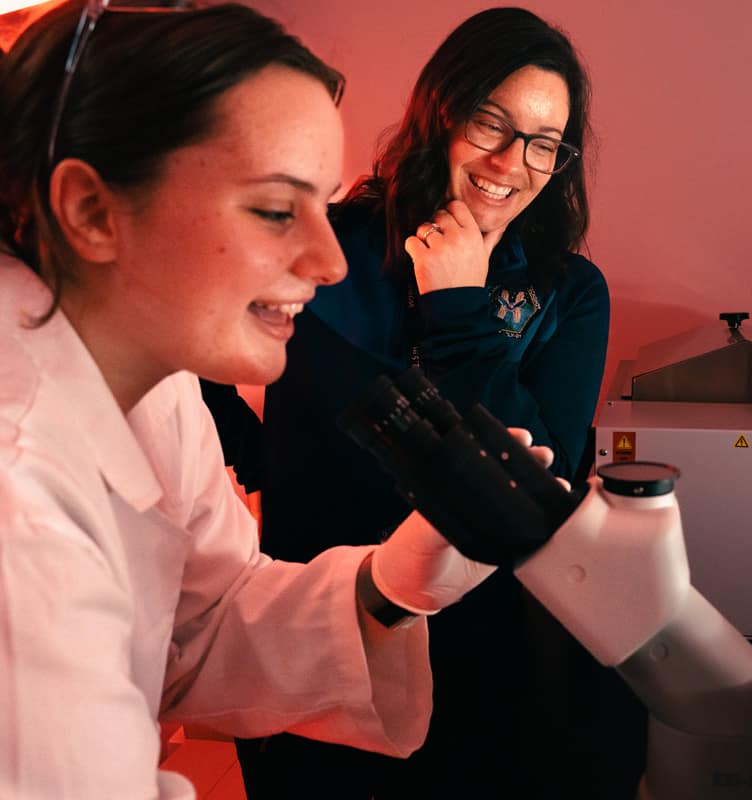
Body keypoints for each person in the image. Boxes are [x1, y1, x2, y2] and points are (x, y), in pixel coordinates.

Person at [0, 3, 555, 797]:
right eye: (272, 209)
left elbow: (205, 619)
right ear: (92, 210)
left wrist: (386, 586)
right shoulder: (18, 509)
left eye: (323, 206)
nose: (329, 262)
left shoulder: (156, 389)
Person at [201, 6, 634, 798]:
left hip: (485, 651)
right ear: (442, 111)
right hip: (319, 620)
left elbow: (542, 481)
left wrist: (460, 308)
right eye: (490, 123)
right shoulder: (331, 245)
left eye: (545, 142)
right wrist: (252, 450)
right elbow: (195, 347)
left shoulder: (568, 294)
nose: (512, 161)